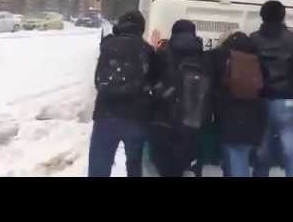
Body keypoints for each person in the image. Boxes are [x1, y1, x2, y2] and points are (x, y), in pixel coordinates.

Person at [88, 10, 155, 177]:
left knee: (99, 166)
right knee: (134, 165)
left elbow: (98, 80)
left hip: (105, 115)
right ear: (141, 28)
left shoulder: (107, 44)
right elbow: (153, 81)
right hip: (136, 117)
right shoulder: (146, 49)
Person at [150, 20, 212, 177]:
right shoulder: (204, 58)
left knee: (166, 167)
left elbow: (151, 81)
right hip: (193, 122)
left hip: (164, 121)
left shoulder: (163, 54)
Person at [250, 1, 293, 177]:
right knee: (292, 149)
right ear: (283, 16)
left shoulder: (253, 39)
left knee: (263, 149)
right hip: (286, 97)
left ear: (262, 16)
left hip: (262, 98)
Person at [213, 31, 266, 177]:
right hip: (253, 118)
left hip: (229, 117)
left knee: (236, 159)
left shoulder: (221, 58)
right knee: (238, 156)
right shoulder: (257, 61)